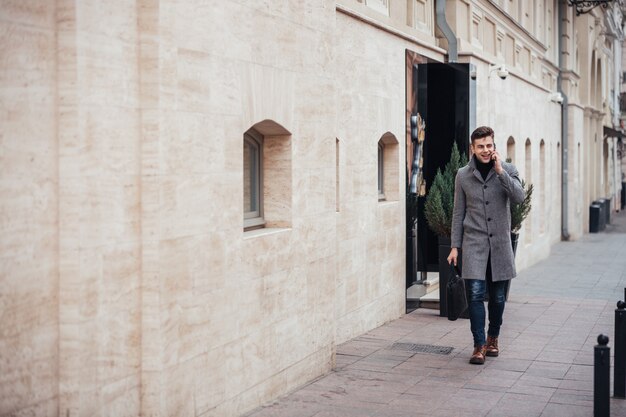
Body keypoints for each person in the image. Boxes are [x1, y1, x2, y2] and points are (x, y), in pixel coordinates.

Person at [447, 126, 525, 365]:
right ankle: (479, 345)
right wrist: (454, 246)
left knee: (498, 298)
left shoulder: (508, 170)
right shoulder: (463, 174)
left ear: (494, 146)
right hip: (474, 244)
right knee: (475, 295)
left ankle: (493, 338)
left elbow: (520, 197)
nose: (485, 150)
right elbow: (458, 213)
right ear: (472, 148)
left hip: (500, 244)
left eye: (489, 145)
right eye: (480, 146)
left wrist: (500, 171)